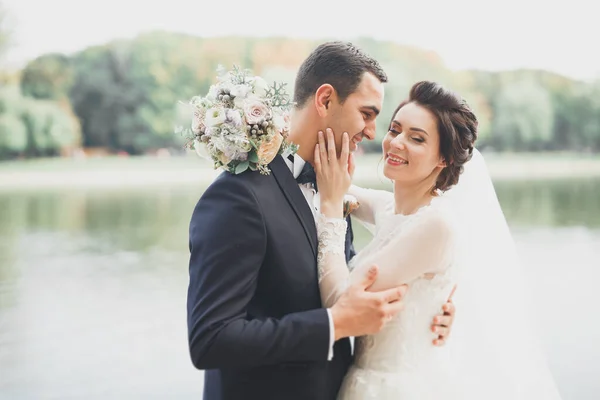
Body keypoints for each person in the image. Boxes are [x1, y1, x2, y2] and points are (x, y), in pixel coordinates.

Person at [186, 42, 456, 400]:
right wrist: (335, 323)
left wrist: (426, 315)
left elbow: (359, 283)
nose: (374, 133)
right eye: (367, 113)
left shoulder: (336, 188)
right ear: (326, 100)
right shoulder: (239, 197)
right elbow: (211, 340)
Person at [314, 80, 563, 399]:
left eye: (416, 138)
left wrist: (332, 213)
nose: (396, 143)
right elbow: (336, 187)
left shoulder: (437, 225)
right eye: (395, 129)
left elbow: (339, 302)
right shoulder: (394, 208)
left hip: (391, 388)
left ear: (443, 158)